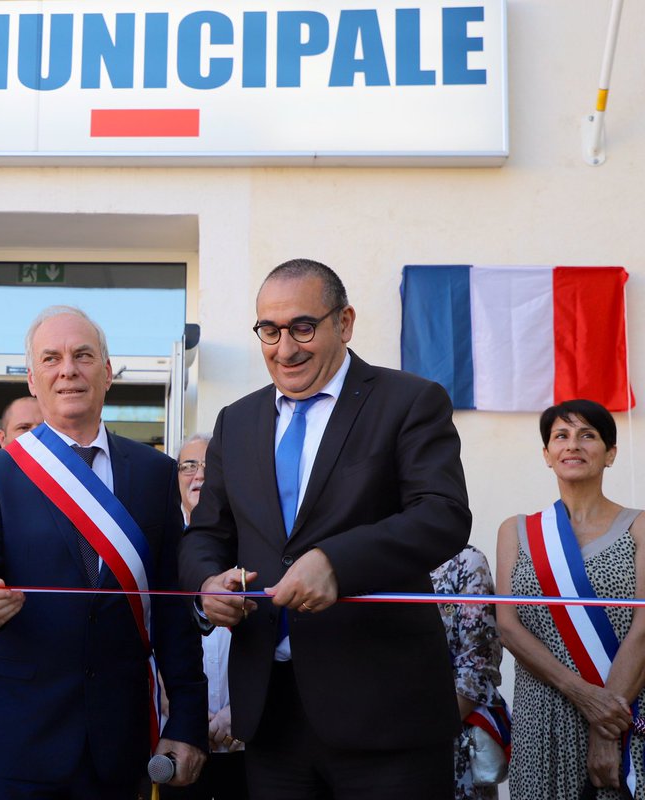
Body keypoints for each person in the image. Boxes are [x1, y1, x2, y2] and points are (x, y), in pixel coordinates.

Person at [180, 259, 470, 799]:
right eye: (270, 330)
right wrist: (207, 586)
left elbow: (442, 515)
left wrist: (337, 561)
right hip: (269, 716)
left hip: (386, 718)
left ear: (346, 322)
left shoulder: (409, 401)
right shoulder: (235, 422)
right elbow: (206, 535)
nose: (284, 348)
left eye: (303, 327)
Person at [0, 305, 207, 799]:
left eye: (83, 355)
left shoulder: (155, 473)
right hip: (20, 738)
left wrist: (189, 721)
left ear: (107, 373)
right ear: (32, 378)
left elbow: (173, 606)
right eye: (51, 358)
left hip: (120, 738)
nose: (67, 369)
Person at [495, 399, 645, 799]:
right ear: (547, 455)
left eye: (588, 435)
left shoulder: (641, 526)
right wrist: (587, 697)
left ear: (610, 454)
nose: (573, 445)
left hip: (624, 715)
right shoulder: (517, 531)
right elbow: (507, 627)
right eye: (561, 436)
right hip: (541, 717)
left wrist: (604, 726)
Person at [162, 433, 245, 800]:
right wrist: (177, 707)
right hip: (174, 736)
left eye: (209, 466)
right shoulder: (159, 546)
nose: (199, 474)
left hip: (247, 741)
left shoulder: (255, 543)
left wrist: (240, 710)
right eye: (188, 465)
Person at [430, 545, 505, 800]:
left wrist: (414, 740)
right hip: (370, 753)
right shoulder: (365, 562)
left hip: (445, 750)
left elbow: (476, 673)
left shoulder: (464, 561)